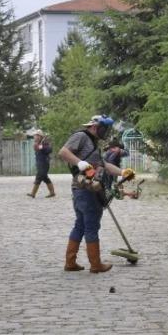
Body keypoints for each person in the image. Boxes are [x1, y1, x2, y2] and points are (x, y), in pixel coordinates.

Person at [57, 115, 134, 273]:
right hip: (86, 190)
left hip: (85, 190)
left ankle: (70, 262)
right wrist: (78, 162)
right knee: (91, 225)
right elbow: (63, 152)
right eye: (104, 128)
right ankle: (96, 264)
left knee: (80, 225)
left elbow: (103, 165)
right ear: (94, 126)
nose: (105, 132)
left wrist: (122, 172)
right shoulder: (81, 136)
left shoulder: (93, 143)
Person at [27, 129, 54, 198]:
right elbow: (37, 149)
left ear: (40, 136)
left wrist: (42, 147)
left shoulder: (45, 142)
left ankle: (33, 193)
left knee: (38, 177)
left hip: (44, 163)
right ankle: (52, 192)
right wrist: (38, 147)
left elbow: (49, 150)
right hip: (39, 163)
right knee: (45, 178)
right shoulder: (37, 143)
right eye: (35, 136)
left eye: (36, 135)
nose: (35, 137)